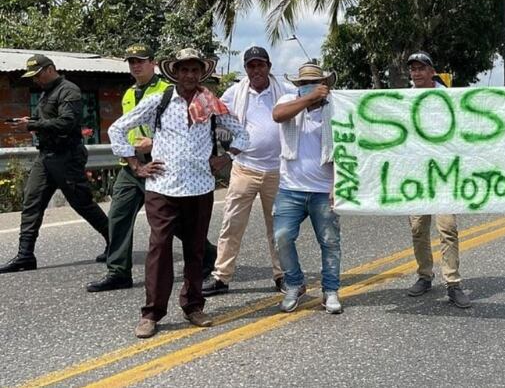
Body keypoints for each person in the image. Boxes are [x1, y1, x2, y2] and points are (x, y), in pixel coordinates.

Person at [109, 48, 250, 339]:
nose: (189, 75)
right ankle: (151, 313)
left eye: (195, 70)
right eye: (184, 69)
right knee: (159, 248)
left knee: (195, 250)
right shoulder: (159, 100)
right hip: (163, 188)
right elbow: (118, 129)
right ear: (175, 72)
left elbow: (243, 133)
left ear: (201, 73)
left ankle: (193, 306)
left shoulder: (210, 103)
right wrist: (136, 165)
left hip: (200, 188)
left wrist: (226, 157)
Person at [87, 44, 217, 292]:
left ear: (153, 63)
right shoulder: (129, 93)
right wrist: (133, 161)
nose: (135, 66)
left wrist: (154, 144)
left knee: (173, 224)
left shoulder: (167, 91)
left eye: (140, 61)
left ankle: (208, 255)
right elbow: (123, 127)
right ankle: (118, 271)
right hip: (133, 165)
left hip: (161, 167)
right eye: (131, 62)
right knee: (118, 217)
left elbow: (185, 135)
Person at [0, 54, 110, 274]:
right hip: (46, 156)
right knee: (32, 202)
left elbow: (67, 123)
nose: (35, 80)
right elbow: (47, 119)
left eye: (38, 75)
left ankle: (116, 241)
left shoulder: (69, 90)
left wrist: (33, 125)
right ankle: (25, 256)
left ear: (50, 69)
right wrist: (30, 121)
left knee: (82, 203)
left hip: (66, 156)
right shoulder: (46, 92)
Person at [202, 47, 290, 297]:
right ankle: (221, 276)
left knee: (279, 227)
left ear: (269, 67)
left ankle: (282, 275)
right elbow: (213, 114)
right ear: (246, 69)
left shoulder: (285, 91)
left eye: (260, 65)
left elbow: (307, 100)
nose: (256, 70)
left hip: (278, 170)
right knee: (231, 224)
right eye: (251, 66)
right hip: (244, 168)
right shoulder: (235, 93)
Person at [270, 62, 344, 314]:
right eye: (303, 83)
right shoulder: (289, 101)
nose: (307, 87)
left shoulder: (335, 108)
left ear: (324, 85)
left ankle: (330, 290)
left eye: (313, 83)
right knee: (282, 237)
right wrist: (308, 98)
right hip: (290, 188)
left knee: (329, 242)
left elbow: (344, 148)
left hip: (323, 189)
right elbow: (278, 115)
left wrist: (337, 184)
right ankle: (294, 283)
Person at [403, 52, 470, 308]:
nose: (416, 73)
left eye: (421, 68)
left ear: (432, 72)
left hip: (444, 174)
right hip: (416, 175)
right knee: (418, 229)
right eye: (413, 69)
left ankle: (453, 282)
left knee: (447, 228)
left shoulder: (450, 98)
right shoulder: (403, 99)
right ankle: (424, 275)